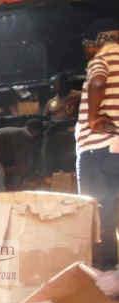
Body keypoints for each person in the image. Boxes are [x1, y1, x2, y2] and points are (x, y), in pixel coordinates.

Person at [75, 29, 119, 269]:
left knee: (97, 213)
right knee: (112, 211)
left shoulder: (103, 58)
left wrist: (92, 118)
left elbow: (98, 80)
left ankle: (104, 271)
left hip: (97, 150)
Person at [41, 73, 81, 176]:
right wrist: (48, 125)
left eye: (55, 83)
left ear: (65, 83)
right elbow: (44, 119)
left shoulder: (78, 96)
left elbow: (81, 117)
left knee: (68, 162)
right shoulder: (51, 102)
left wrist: (60, 125)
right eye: (52, 84)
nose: (53, 86)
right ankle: (49, 174)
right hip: (54, 134)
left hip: (71, 133)